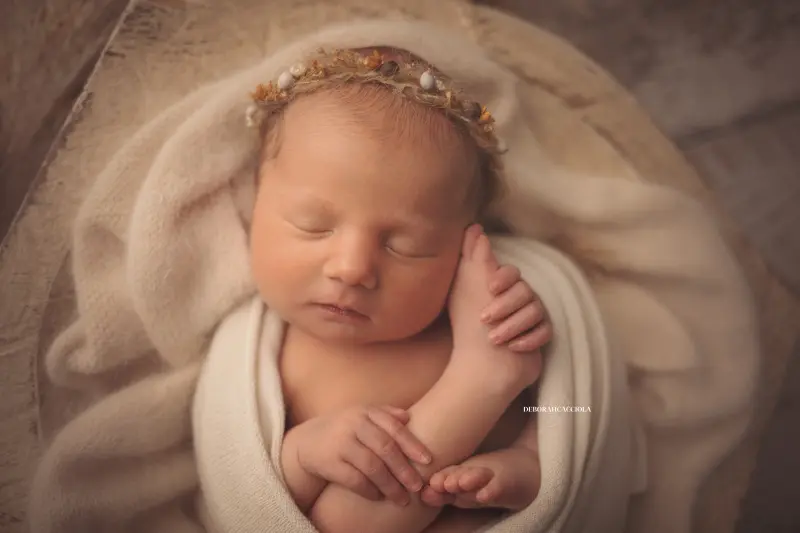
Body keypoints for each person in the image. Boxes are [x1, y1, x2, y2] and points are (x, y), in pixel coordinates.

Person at [246, 47, 553, 533]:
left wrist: (534, 462)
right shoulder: (257, 360)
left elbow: (566, 408)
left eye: (406, 247)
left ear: (461, 244)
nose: (352, 269)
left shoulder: (474, 312)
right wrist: (303, 455)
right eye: (313, 226)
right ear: (254, 202)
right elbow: (249, 495)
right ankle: (481, 381)